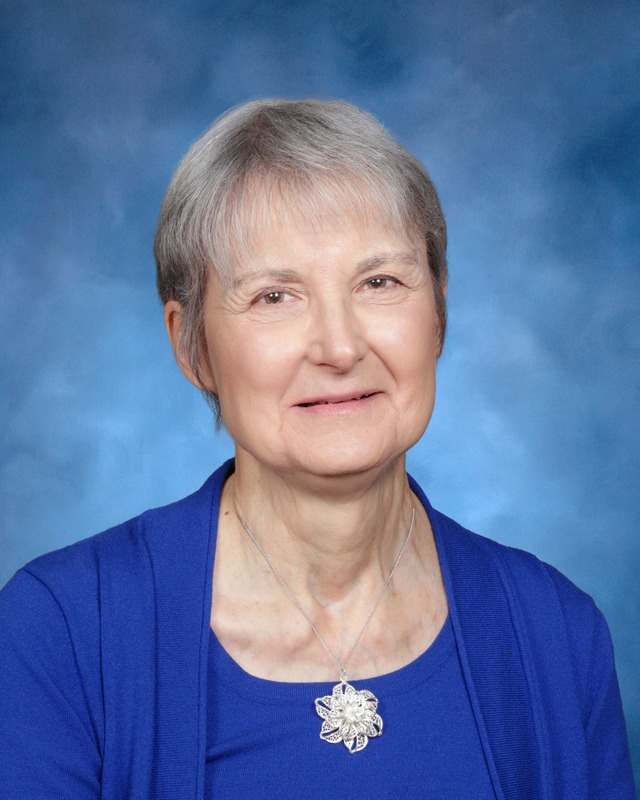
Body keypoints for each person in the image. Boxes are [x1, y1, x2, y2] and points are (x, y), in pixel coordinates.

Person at [0, 99, 634, 799]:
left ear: (438, 312)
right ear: (191, 346)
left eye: (379, 282)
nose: (339, 346)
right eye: (275, 296)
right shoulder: (58, 633)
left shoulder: (558, 632)